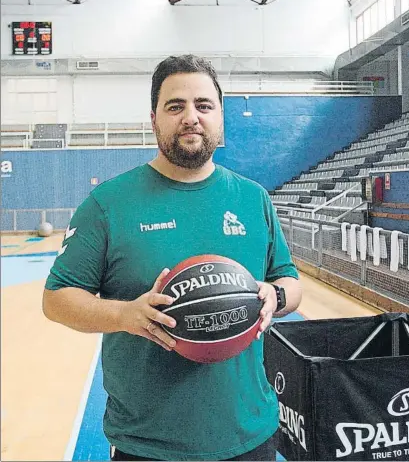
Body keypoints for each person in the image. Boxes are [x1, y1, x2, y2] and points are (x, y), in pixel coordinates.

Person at [43, 55, 302, 461]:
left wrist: (275, 296)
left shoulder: (253, 199)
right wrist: (125, 315)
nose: (191, 117)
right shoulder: (108, 203)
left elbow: (289, 281)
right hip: (147, 445)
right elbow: (57, 299)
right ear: (154, 120)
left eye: (204, 105)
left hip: (249, 434)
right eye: (175, 106)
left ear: (221, 117)